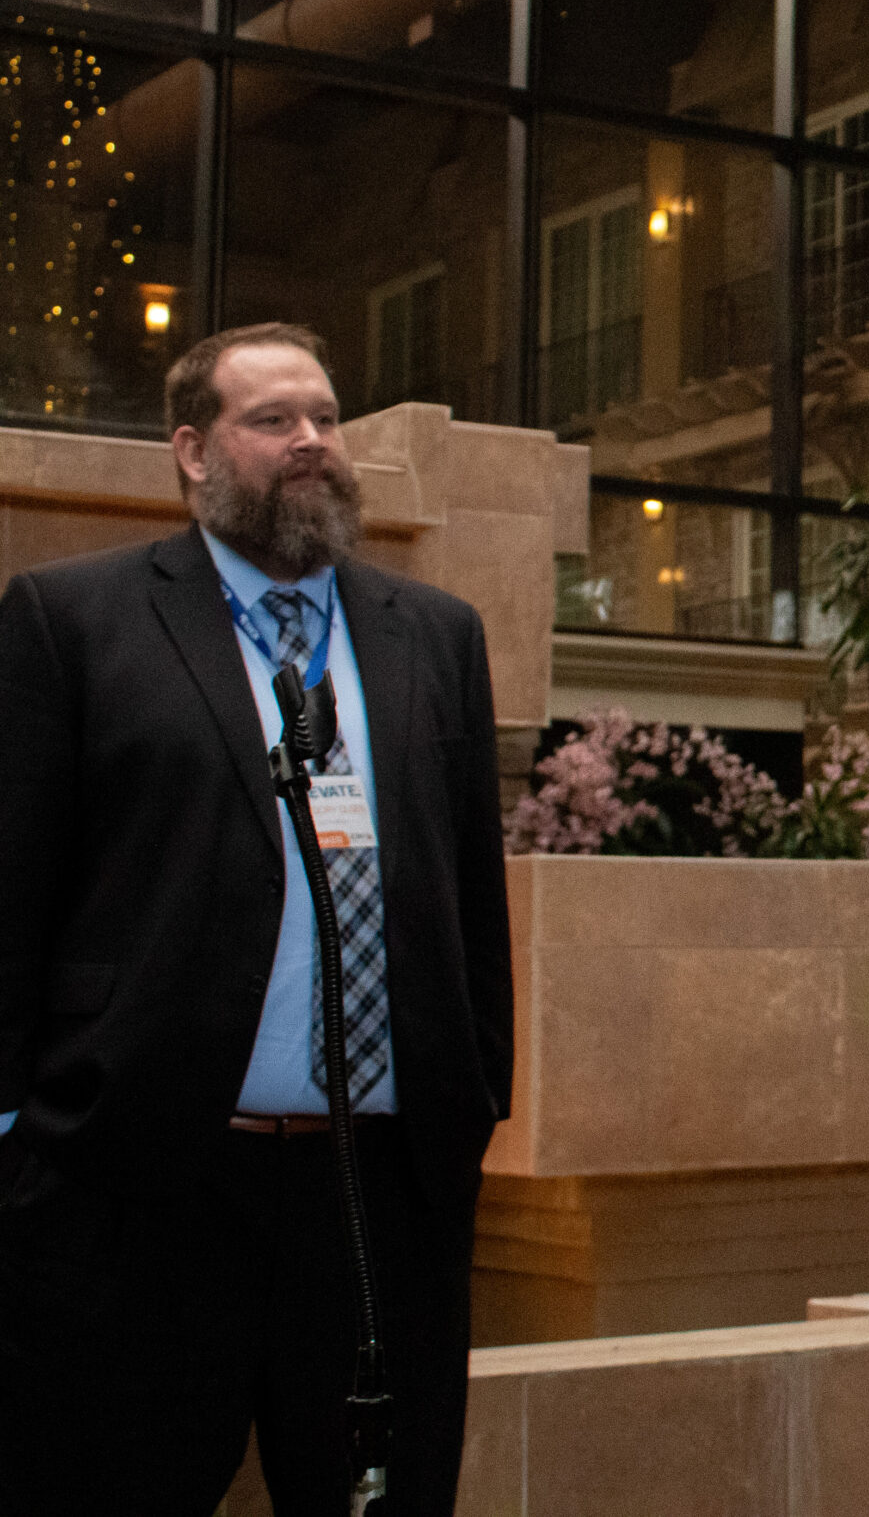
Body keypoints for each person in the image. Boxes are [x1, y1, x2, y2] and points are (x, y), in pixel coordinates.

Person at [0, 324, 512, 1514]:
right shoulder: (72, 621)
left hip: (379, 1199)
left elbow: (471, 906)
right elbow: (13, 897)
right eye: (273, 420)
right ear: (193, 451)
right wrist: (20, 1147)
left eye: (325, 418)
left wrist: (473, 1106)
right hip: (143, 1192)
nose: (311, 442)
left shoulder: (435, 635)